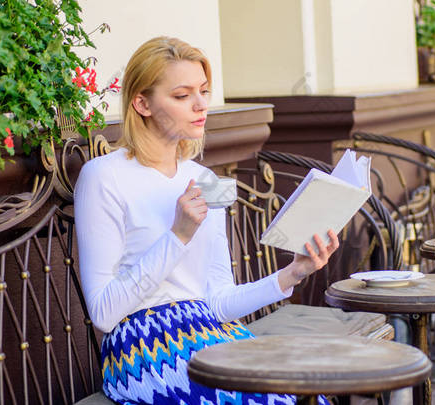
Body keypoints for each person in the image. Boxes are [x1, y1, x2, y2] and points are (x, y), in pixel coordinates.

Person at [74, 36, 339, 405]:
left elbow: (217, 302)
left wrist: (294, 273)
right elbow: (103, 314)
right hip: (141, 347)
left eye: (203, 91)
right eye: (182, 96)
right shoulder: (103, 176)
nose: (200, 105)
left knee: (306, 395)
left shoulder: (207, 181)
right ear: (142, 103)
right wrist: (178, 235)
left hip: (209, 331)